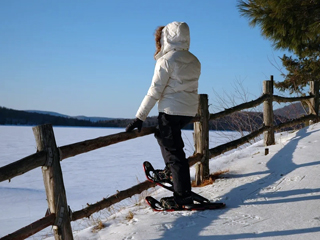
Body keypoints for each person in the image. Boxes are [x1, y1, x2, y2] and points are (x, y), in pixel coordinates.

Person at [126, 21, 201, 209]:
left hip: (170, 112)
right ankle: (170, 173)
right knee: (163, 135)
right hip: (188, 111)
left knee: (175, 153)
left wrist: (139, 117)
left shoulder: (166, 60)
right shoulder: (194, 60)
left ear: (167, 38)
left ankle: (182, 196)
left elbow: (154, 91)